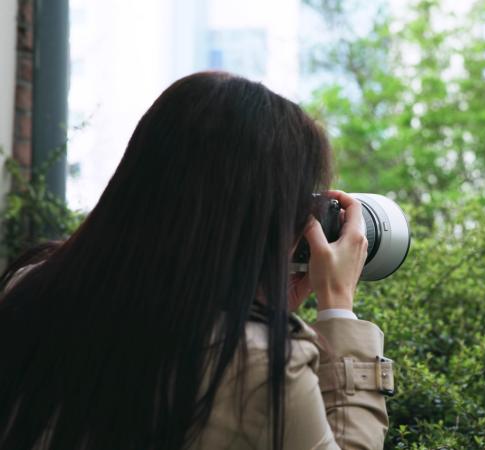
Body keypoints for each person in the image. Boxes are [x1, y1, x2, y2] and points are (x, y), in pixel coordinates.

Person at [0, 72, 393, 450]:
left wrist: (260, 306)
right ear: (263, 218)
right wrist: (338, 304)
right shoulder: (261, 366)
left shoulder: (29, 286)